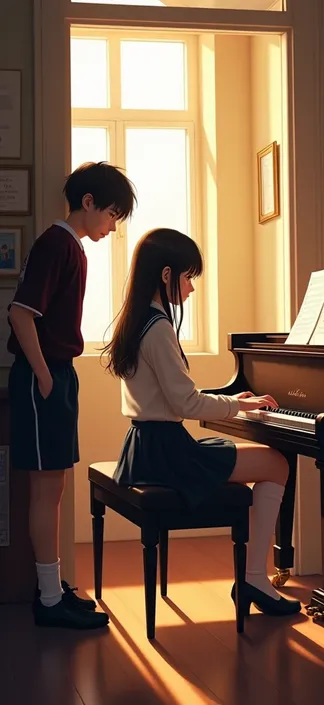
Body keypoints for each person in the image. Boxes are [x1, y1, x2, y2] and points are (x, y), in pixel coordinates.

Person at [102, 228, 301, 617]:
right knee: (276, 464)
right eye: (187, 276)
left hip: (144, 447)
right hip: (167, 453)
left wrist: (229, 401)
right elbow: (187, 403)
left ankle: (253, 576)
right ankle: (254, 579)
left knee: (253, 463)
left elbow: (172, 395)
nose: (191, 288)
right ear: (165, 275)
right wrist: (239, 407)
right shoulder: (159, 328)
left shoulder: (137, 320)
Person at [7, 161, 137, 629]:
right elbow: (20, 314)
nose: (113, 225)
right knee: (46, 490)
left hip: (58, 374)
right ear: (88, 203)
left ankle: (53, 586)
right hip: (44, 376)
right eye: (111, 214)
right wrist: (43, 376)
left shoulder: (70, 248)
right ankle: (46, 599)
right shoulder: (56, 244)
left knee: (55, 488)